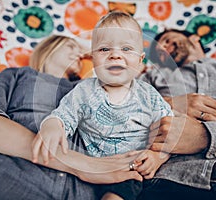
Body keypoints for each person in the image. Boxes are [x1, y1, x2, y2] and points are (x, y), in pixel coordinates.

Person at [0, 34, 143, 199]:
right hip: (3, 175)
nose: (79, 54)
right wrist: (81, 165)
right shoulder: (19, 75)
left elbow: (121, 153)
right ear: (50, 48)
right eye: (71, 47)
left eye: (82, 52)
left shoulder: (94, 90)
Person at [33, 12, 173, 200]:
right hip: (98, 169)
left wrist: (158, 158)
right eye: (104, 49)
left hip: (138, 166)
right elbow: (64, 115)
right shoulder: (83, 91)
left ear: (140, 61)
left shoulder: (149, 95)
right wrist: (51, 126)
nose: (115, 55)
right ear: (92, 59)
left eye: (126, 48)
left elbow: (169, 132)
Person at [138, 29, 216, 200]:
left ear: (194, 38)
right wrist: (169, 103)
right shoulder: (152, 78)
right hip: (166, 185)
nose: (162, 48)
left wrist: (205, 137)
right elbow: (119, 112)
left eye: (166, 40)